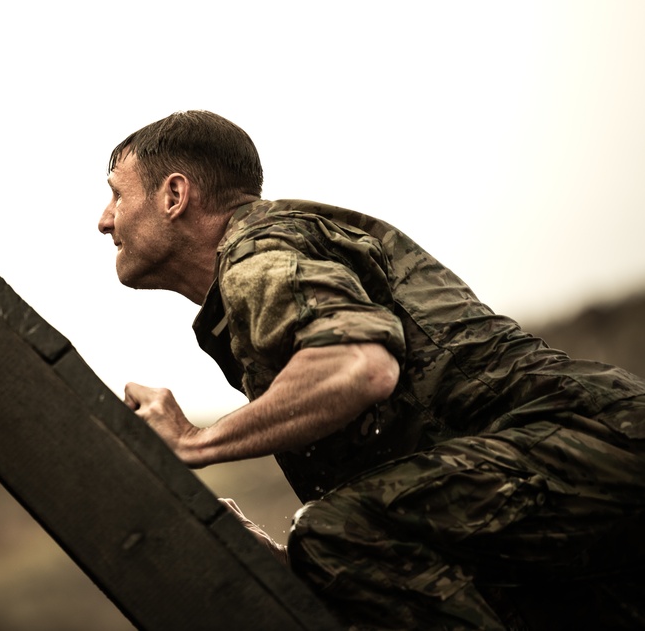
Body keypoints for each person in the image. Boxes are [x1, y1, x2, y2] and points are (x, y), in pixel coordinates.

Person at [97, 110, 645, 630]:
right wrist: (299, 565)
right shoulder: (279, 251)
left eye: (116, 196)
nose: (104, 221)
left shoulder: (256, 254)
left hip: (593, 445)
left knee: (331, 533)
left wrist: (195, 442)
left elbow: (360, 365)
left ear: (174, 195)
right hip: (584, 473)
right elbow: (408, 529)